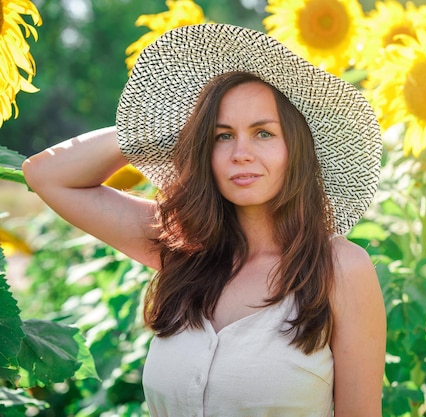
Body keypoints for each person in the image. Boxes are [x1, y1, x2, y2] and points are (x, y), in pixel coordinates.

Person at [22, 23, 385, 417]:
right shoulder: (182, 248)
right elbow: (46, 176)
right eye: (221, 136)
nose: (240, 153)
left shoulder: (340, 269)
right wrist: (153, 129)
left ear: (296, 149)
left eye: (263, 133)